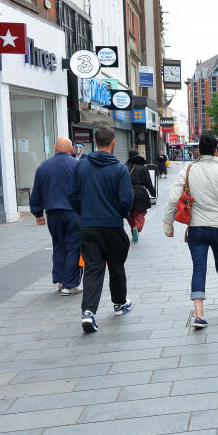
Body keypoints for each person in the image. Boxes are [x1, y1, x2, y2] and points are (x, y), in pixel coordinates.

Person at [163, 133, 218, 329]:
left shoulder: (188, 170)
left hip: (196, 229)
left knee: (199, 268)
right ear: (217, 151)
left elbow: (174, 199)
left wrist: (168, 224)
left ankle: (199, 315)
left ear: (198, 150)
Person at [68, 126, 134, 334]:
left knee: (93, 268)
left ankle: (88, 312)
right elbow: (126, 199)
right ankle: (119, 303)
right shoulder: (119, 169)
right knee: (116, 265)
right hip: (112, 226)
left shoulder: (82, 166)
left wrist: (85, 211)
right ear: (113, 142)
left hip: (88, 226)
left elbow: (72, 195)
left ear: (95, 143)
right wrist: (120, 213)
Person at [30, 137, 82, 295]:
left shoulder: (43, 167)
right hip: (73, 213)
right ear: (71, 149)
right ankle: (70, 284)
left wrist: (38, 213)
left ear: (54, 148)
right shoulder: (77, 165)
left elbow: (36, 192)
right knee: (74, 246)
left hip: (53, 213)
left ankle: (60, 280)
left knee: (59, 245)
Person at [125, 149, 156, 244]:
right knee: (140, 214)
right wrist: (153, 192)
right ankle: (136, 228)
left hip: (126, 192)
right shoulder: (143, 168)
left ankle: (134, 231)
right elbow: (148, 183)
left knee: (130, 214)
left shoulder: (123, 167)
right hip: (139, 192)